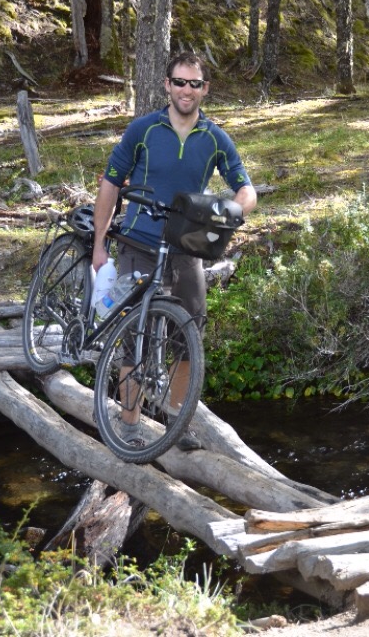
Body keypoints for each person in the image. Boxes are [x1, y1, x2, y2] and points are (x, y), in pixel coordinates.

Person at [91, 51, 257, 450]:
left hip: (185, 250)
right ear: (167, 85)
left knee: (189, 335)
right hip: (137, 243)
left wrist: (231, 213)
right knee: (135, 337)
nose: (187, 90)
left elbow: (245, 189)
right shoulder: (143, 130)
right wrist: (99, 244)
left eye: (194, 84)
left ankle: (176, 420)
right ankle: (128, 424)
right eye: (179, 82)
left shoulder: (215, 139)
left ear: (205, 89)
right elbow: (111, 183)